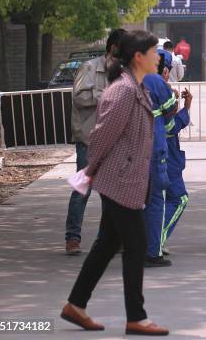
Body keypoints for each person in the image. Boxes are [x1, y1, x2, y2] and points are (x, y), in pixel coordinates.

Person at [61, 30, 169, 336]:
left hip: (126, 179)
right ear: (138, 56)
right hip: (118, 180)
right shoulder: (122, 91)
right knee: (136, 245)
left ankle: (75, 305)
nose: (158, 57)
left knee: (106, 245)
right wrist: (91, 171)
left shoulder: (135, 87)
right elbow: (101, 136)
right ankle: (136, 317)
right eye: (153, 51)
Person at [65, 28, 126, 255]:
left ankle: (109, 240)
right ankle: (72, 237)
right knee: (83, 189)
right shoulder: (89, 68)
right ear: (113, 49)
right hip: (89, 140)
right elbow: (79, 97)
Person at [142, 49, 177, 267]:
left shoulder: (120, 77)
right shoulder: (155, 81)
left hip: (129, 151)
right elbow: (170, 109)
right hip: (154, 149)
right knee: (155, 200)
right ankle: (152, 252)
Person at [159, 56, 192, 254]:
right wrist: (185, 109)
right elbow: (169, 127)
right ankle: (156, 241)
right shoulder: (162, 92)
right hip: (165, 155)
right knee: (179, 198)